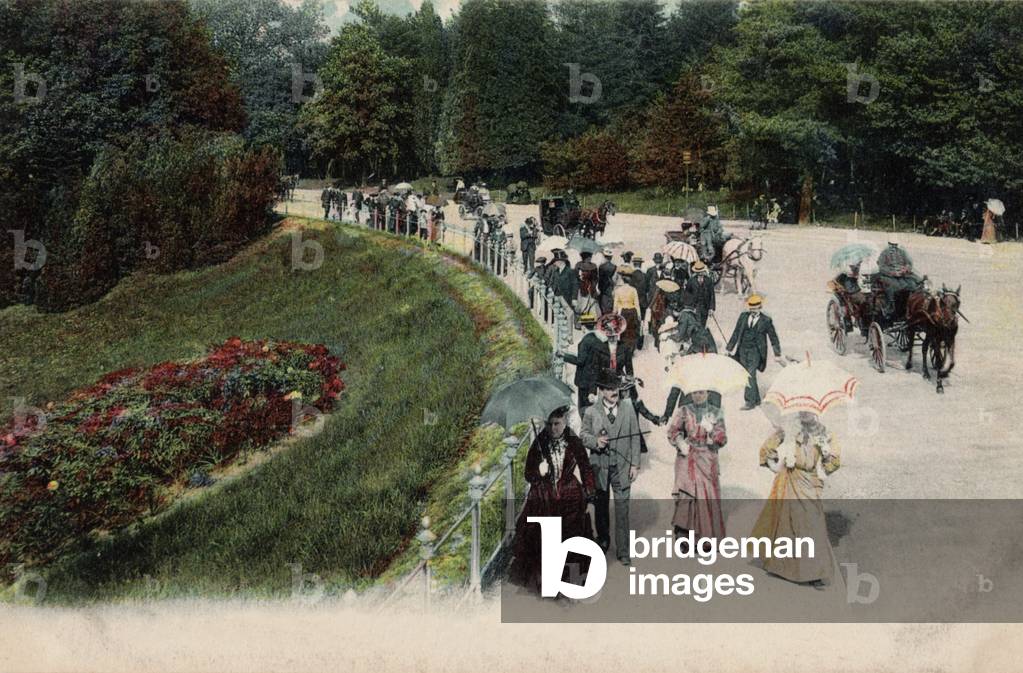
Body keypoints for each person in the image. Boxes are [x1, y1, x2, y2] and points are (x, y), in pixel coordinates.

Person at [508, 405, 597, 594]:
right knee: (544, 538)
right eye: (550, 424)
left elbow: (586, 467)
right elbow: (527, 474)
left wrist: (589, 497)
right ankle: (546, 582)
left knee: (571, 536)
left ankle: (569, 582)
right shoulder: (540, 441)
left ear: (565, 422)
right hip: (544, 497)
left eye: (557, 424)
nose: (553, 428)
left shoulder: (574, 440)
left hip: (569, 495)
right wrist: (539, 472)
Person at [750, 412, 841, 588]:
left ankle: (815, 571)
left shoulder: (825, 434)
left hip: (811, 483)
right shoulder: (789, 430)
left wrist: (826, 454)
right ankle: (785, 568)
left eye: (809, 410)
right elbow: (766, 449)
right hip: (791, 479)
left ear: (816, 412)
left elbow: (834, 462)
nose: (805, 413)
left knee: (813, 525)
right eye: (802, 410)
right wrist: (778, 461)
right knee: (789, 524)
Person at [581, 369, 641, 564]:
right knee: (601, 507)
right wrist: (595, 441)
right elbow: (583, 436)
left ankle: (623, 551)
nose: (613, 392)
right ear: (601, 391)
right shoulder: (591, 412)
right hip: (600, 467)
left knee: (623, 508)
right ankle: (603, 541)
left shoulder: (628, 408)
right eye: (608, 388)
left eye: (615, 387)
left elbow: (634, 437)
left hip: (622, 467)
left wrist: (635, 464)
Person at [667, 388, 727, 540]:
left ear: (708, 393)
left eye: (701, 393)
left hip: (707, 457)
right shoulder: (684, 410)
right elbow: (673, 430)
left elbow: (722, 438)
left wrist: (712, 431)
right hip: (687, 455)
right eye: (694, 393)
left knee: (706, 496)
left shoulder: (715, 412)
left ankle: (705, 537)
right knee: (686, 493)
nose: (697, 396)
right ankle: (684, 535)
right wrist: (680, 442)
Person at [726, 294, 783, 410]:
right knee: (747, 374)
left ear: (760, 307)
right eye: (751, 308)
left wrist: (777, 354)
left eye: (755, 308)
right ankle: (756, 399)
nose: (752, 311)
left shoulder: (766, 320)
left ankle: (749, 401)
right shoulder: (743, 317)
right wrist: (729, 348)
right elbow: (736, 332)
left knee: (749, 375)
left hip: (756, 352)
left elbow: (773, 338)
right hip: (742, 350)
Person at [558, 313, 606, 411]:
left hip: (584, 380)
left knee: (583, 409)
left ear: (583, 327)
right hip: (594, 381)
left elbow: (580, 360)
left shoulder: (585, 341)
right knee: (592, 408)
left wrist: (564, 356)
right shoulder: (598, 341)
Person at [875, 241, 922, 320]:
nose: (894, 247)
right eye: (892, 245)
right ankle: (890, 306)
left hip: (902, 275)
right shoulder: (884, 253)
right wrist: (892, 273)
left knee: (913, 285)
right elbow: (881, 267)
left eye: (895, 245)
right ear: (888, 244)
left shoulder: (902, 252)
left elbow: (909, 263)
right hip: (888, 276)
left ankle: (910, 306)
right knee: (893, 287)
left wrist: (905, 269)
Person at [613, 267, 641, 353]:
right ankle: (631, 349)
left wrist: (614, 315)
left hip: (622, 312)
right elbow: (637, 304)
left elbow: (615, 304)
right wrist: (639, 315)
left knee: (623, 331)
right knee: (631, 331)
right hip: (632, 311)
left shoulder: (618, 290)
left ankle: (624, 349)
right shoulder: (633, 290)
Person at [683, 261, 715, 327]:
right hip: (695, 307)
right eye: (698, 272)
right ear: (696, 272)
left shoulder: (709, 280)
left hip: (705, 307)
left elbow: (712, 295)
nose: (700, 273)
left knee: (703, 324)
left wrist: (711, 308)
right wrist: (690, 306)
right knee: (696, 324)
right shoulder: (691, 281)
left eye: (701, 271)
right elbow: (687, 294)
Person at [575, 251, 600, 318]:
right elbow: (576, 277)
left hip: (587, 287)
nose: (590, 258)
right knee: (585, 304)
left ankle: (587, 320)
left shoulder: (579, 265)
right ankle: (585, 320)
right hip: (585, 287)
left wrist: (592, 285)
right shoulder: (580, 265)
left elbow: (596, 278)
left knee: (588, 304)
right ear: (585, 258)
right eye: (589, 257)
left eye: (590, 257)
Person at [597, 249, 616, 315]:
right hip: (610, 287)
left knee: (603, 306)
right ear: (611, 257)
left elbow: (600, 279)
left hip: (603, 288)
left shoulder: (601, 266)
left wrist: (599, 288)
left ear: (605, 257)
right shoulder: (614, 266)